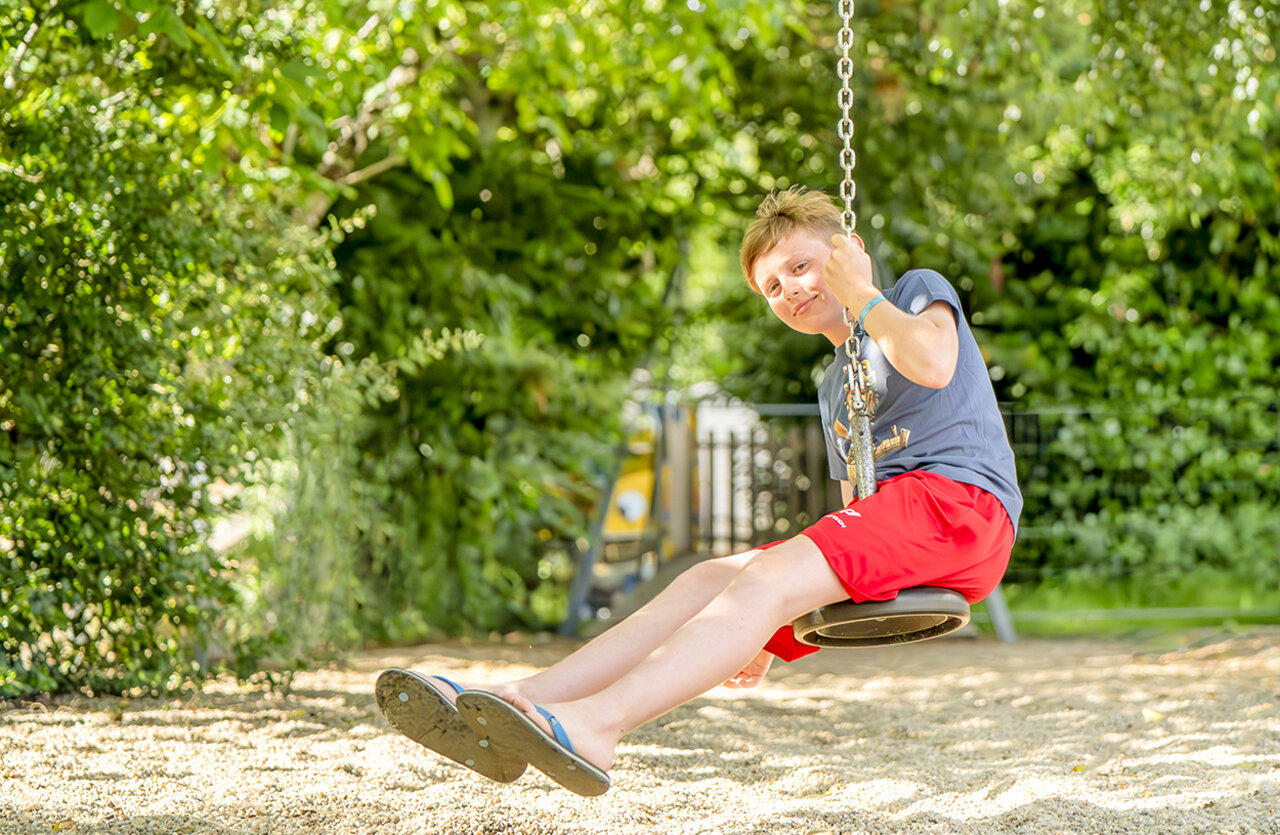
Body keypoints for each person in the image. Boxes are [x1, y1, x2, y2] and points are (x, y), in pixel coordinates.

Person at [375, 185, 1022, 796]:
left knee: (764, 579)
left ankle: (600, 723)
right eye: (772, 286)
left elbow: (933, 363)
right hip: (909, 522)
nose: (790, 289)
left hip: (960, 505)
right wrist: (764, 624)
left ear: (847, 251)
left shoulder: (912, 291)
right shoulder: (835, 386)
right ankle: (519, 699)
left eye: (801, 266)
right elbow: (858, 517)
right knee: (708, 581)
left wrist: (861, 293)